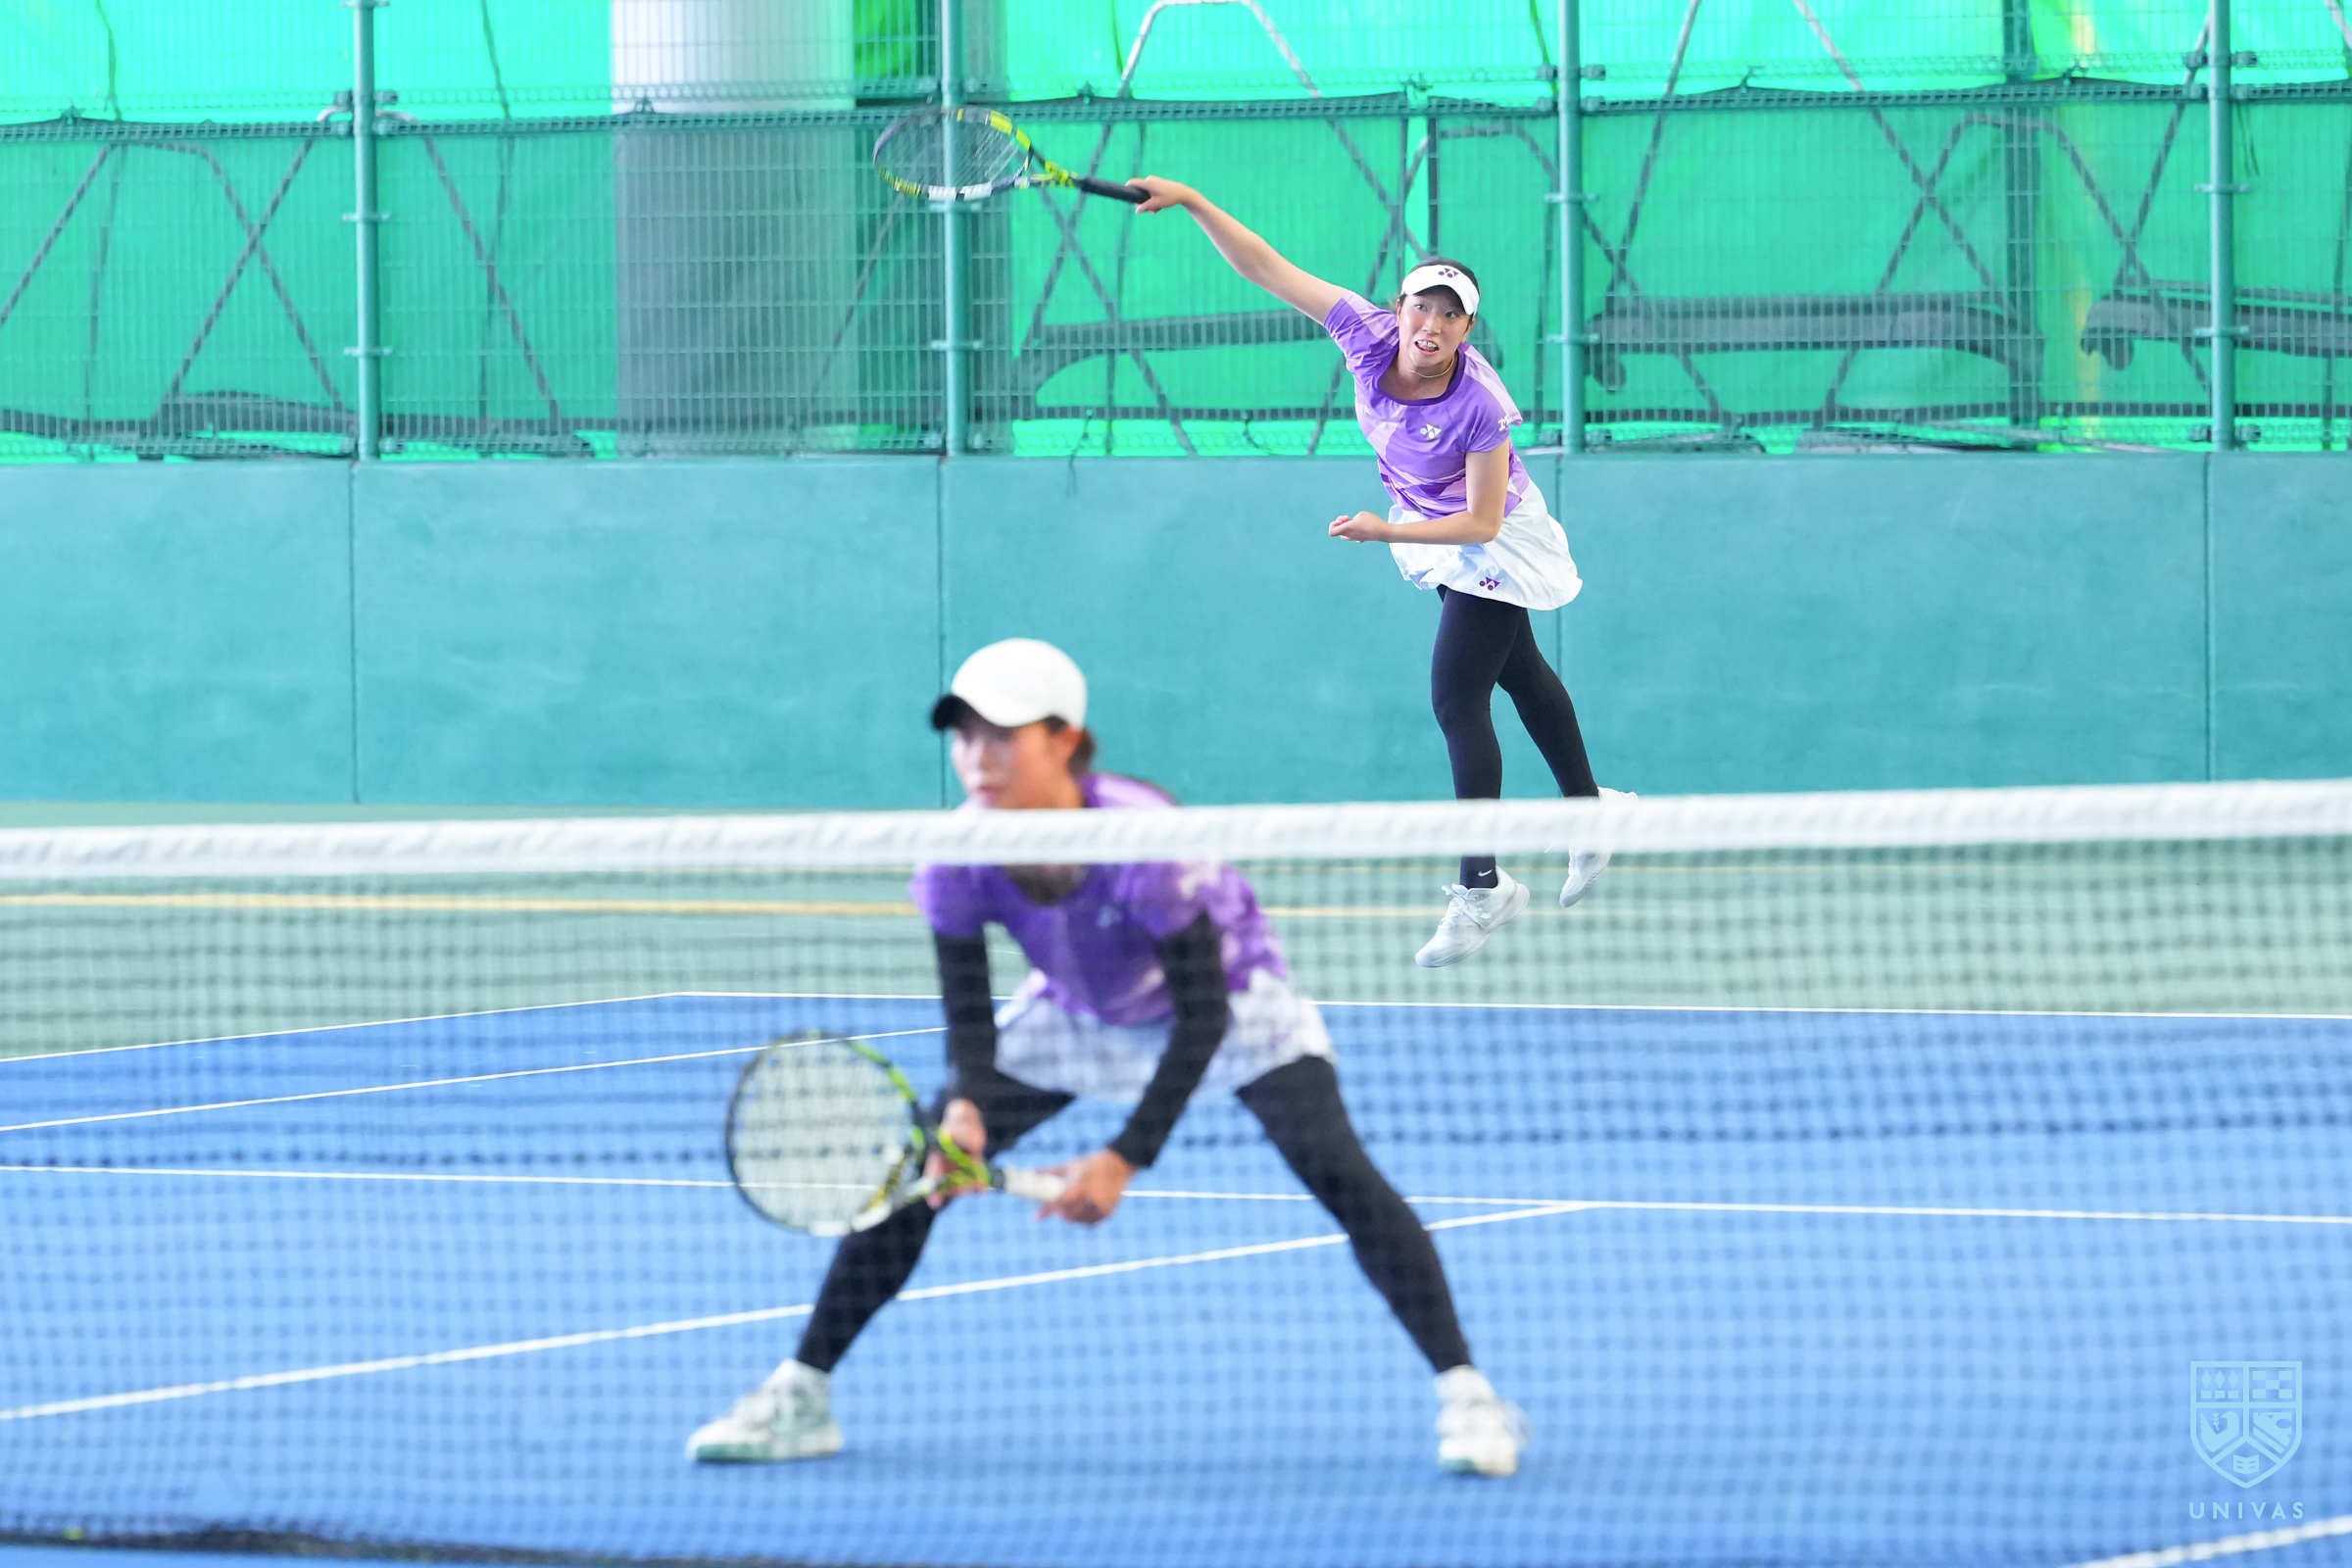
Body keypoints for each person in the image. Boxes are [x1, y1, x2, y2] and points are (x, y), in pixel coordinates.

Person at [686, 637, 1528, 1477]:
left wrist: (1125, 1157)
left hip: (1230, 1002)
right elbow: (968, 1010)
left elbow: (1202, 1018)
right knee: (919, 1172)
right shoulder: (954, 856)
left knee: (1335, 1166)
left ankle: (1469, 1394)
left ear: (1065, 741)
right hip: (1079, 1006)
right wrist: (967, 1104)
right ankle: (803, 1392)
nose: (977, 756)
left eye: (1001, 735)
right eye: (964, 735)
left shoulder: (1141, 841)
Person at [1132, 177, 1630, 968]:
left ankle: (1483, 885)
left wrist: (1382, 530)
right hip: (1433, 526)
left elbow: (1483, 524)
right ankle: (1592, 813)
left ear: (1468, 328)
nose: (1431, 324)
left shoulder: (1479, 403)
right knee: (1522, 674)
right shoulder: (1363, 333)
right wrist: (1193, 200)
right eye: (1421, 307)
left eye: (1450, 314)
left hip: (1493, 535)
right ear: (1399, 309)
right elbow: (1265, 266)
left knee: (1456, 696)